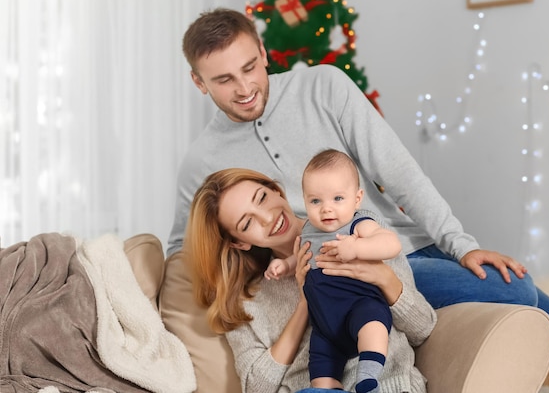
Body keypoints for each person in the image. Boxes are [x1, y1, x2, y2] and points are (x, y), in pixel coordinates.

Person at [168, 7, 549, 343]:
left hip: (406, 242)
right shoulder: (202, 160)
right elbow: (181, 253)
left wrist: (461, 246)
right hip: (350, 268)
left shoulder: (322, 85)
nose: (243, 88)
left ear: (262, 51)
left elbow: (398, 171)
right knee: (519, 292)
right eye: (223, 80)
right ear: (199, 82)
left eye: (249, 68)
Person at [184, 168, 437, 393]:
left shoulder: (356, 228)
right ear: (239, 242)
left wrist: (383, 276)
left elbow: (422, 327)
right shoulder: (246, 299)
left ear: (276, 191)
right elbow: (255, 386)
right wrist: (305, 302)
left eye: (262, 198)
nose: (267, 218)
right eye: (248, 222)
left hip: (387, 385)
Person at [265, 149, 401, 392]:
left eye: (338, 199)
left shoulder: (358, 224)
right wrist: (285, 265)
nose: (326, 209)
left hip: (358, 304)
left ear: (357, 199)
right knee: (320, 364)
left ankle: (368, 376)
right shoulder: (307, 230)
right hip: (325, 324)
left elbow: (391, 244)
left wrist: (358, 247)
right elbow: (302, 258)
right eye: (316, 201)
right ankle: (329, 387)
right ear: (305, 201)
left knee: (373, 326)